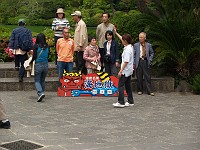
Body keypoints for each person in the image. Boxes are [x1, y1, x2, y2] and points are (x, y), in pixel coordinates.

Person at [112, 28, 134, 108]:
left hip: (125, 70)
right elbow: (121, 38)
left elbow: (126, 61)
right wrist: (116, 32)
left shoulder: (128, 49)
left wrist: (120, 71)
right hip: (129, 70)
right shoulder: (129, 46)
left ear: (125, 41)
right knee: (128, 85)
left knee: (120, 85)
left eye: (123, 40)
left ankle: (121, 101)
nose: (121, 40)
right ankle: (130, 101)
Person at [31, 33, 49, 102]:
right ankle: (42, 92)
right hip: (45, 64)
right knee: (42, 80)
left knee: (37, 80)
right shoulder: (47, 46)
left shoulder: (36, 46)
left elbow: (34, 56)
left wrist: (30, 61)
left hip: (38, 64)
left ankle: (40, 93)